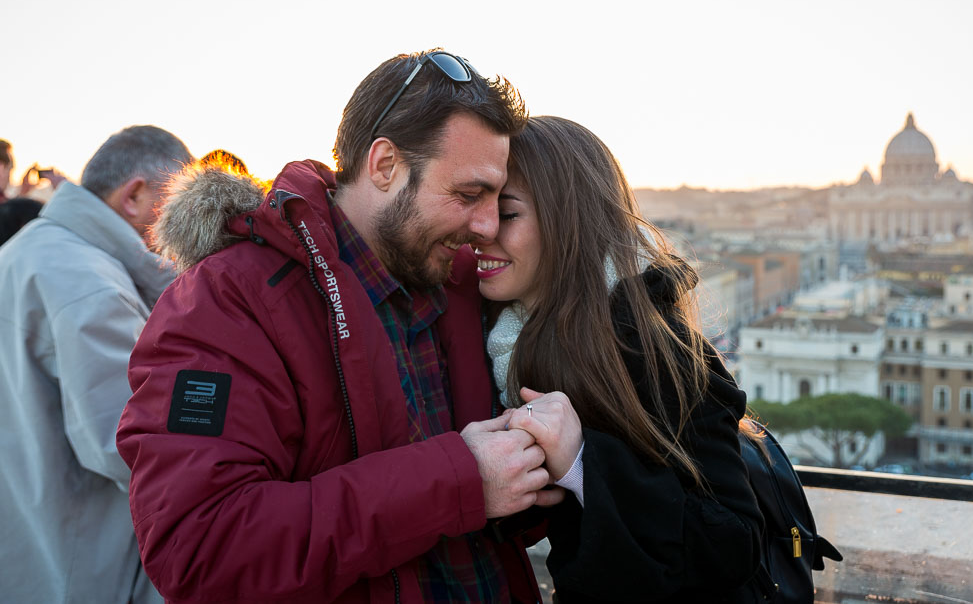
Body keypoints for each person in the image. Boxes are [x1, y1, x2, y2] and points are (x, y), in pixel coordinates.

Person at [117, 49, 562, 604]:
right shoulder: (229, 302)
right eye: (468, 195)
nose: (486, 225)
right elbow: (202, 549)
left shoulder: (468, 283)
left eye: (498, 200)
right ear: (383, 166)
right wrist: (457, 481)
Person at [475, 116, 766, 602]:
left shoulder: (657, 345)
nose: (481, 229)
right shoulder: (504, 341)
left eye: (506, 213)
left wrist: (581, 463)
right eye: (476, 206)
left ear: (567, 219)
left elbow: (734, 543)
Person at [0, 125, 194, 604]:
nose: (178, 230)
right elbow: (132, 448)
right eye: (174, 209)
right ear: (134, 197)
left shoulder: (24, 252)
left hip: (29, 545)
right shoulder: (90, 285)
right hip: (83, 567)